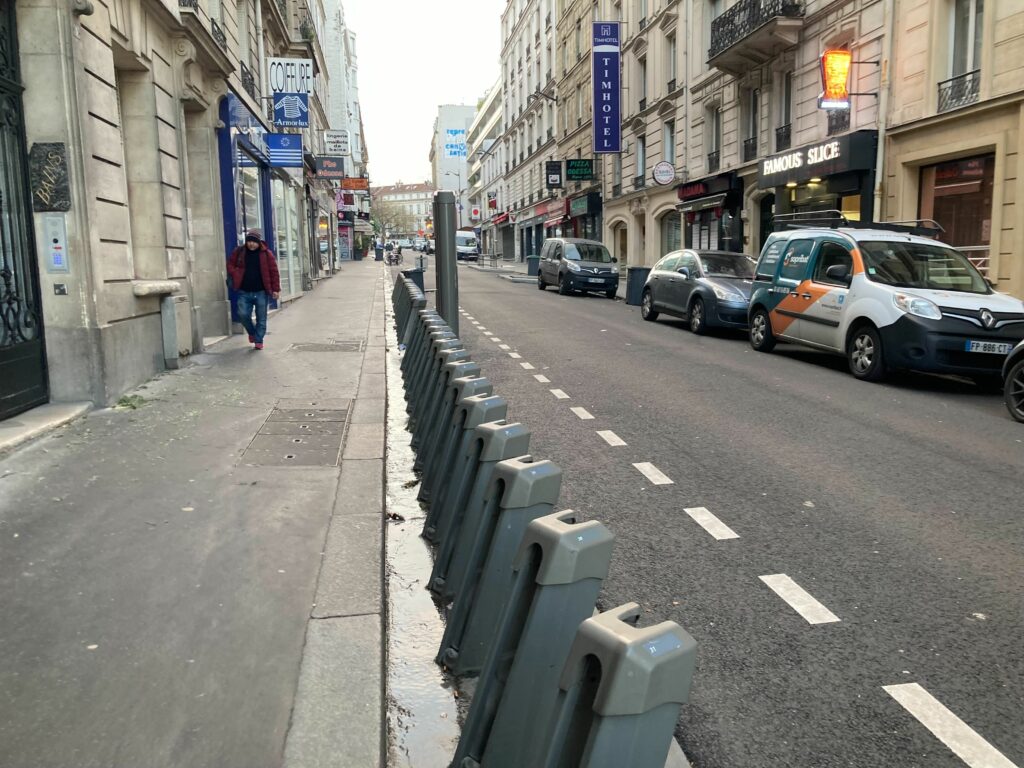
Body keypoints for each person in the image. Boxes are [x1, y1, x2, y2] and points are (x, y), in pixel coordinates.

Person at [227, 229, 281, 350]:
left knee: (261, 318)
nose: (251, 244)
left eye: (254, 242)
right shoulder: (239, 251)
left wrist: (276, 290)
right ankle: (252, 332)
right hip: (244, 291)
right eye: (249, 241)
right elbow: (230, 264)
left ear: (259, 242)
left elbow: (274, 272)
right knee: (242, 314)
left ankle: (258, 340)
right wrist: (235, 273)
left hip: (261, 292)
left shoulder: (266, 254)